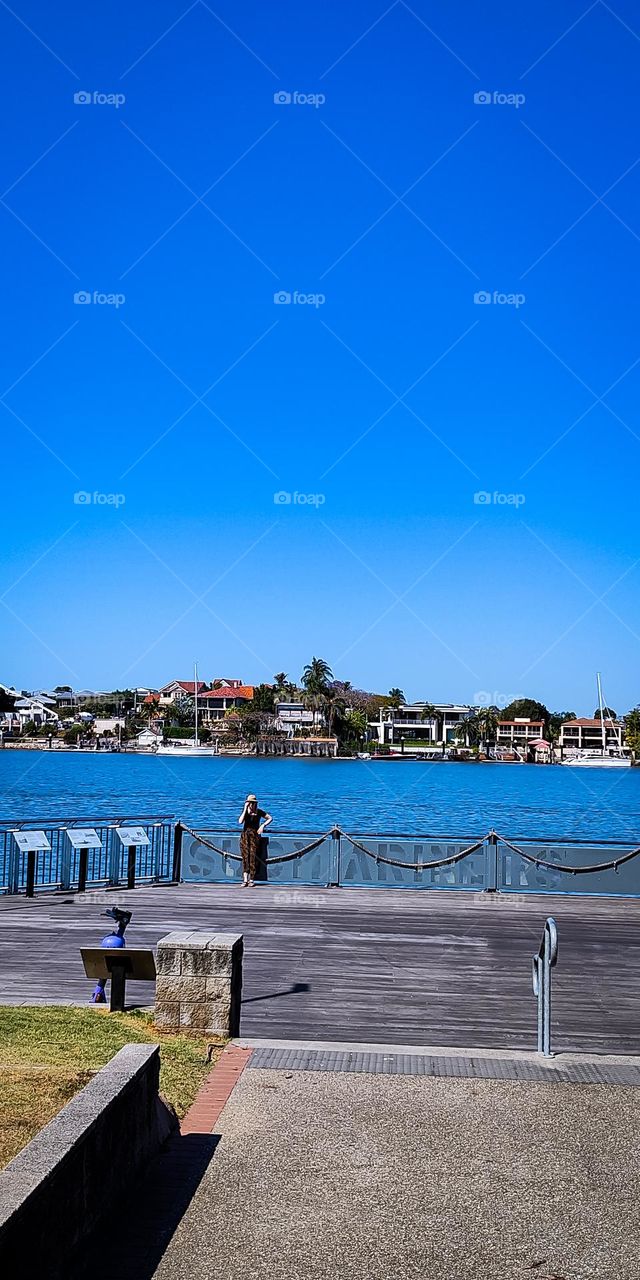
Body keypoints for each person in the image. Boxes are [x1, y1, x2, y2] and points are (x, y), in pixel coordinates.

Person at [238, 794, 272, 887]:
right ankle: (245, 879)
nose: (252, 805)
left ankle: (251, 879)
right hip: (245, 836)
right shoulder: (246, 812)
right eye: (250, 803)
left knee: (253, 857)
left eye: (253, 803)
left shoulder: (259, 812)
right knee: (245, 857)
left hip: (254, 836)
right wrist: (245, 808)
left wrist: (262, 825)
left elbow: (270, 818)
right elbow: (240, 821)